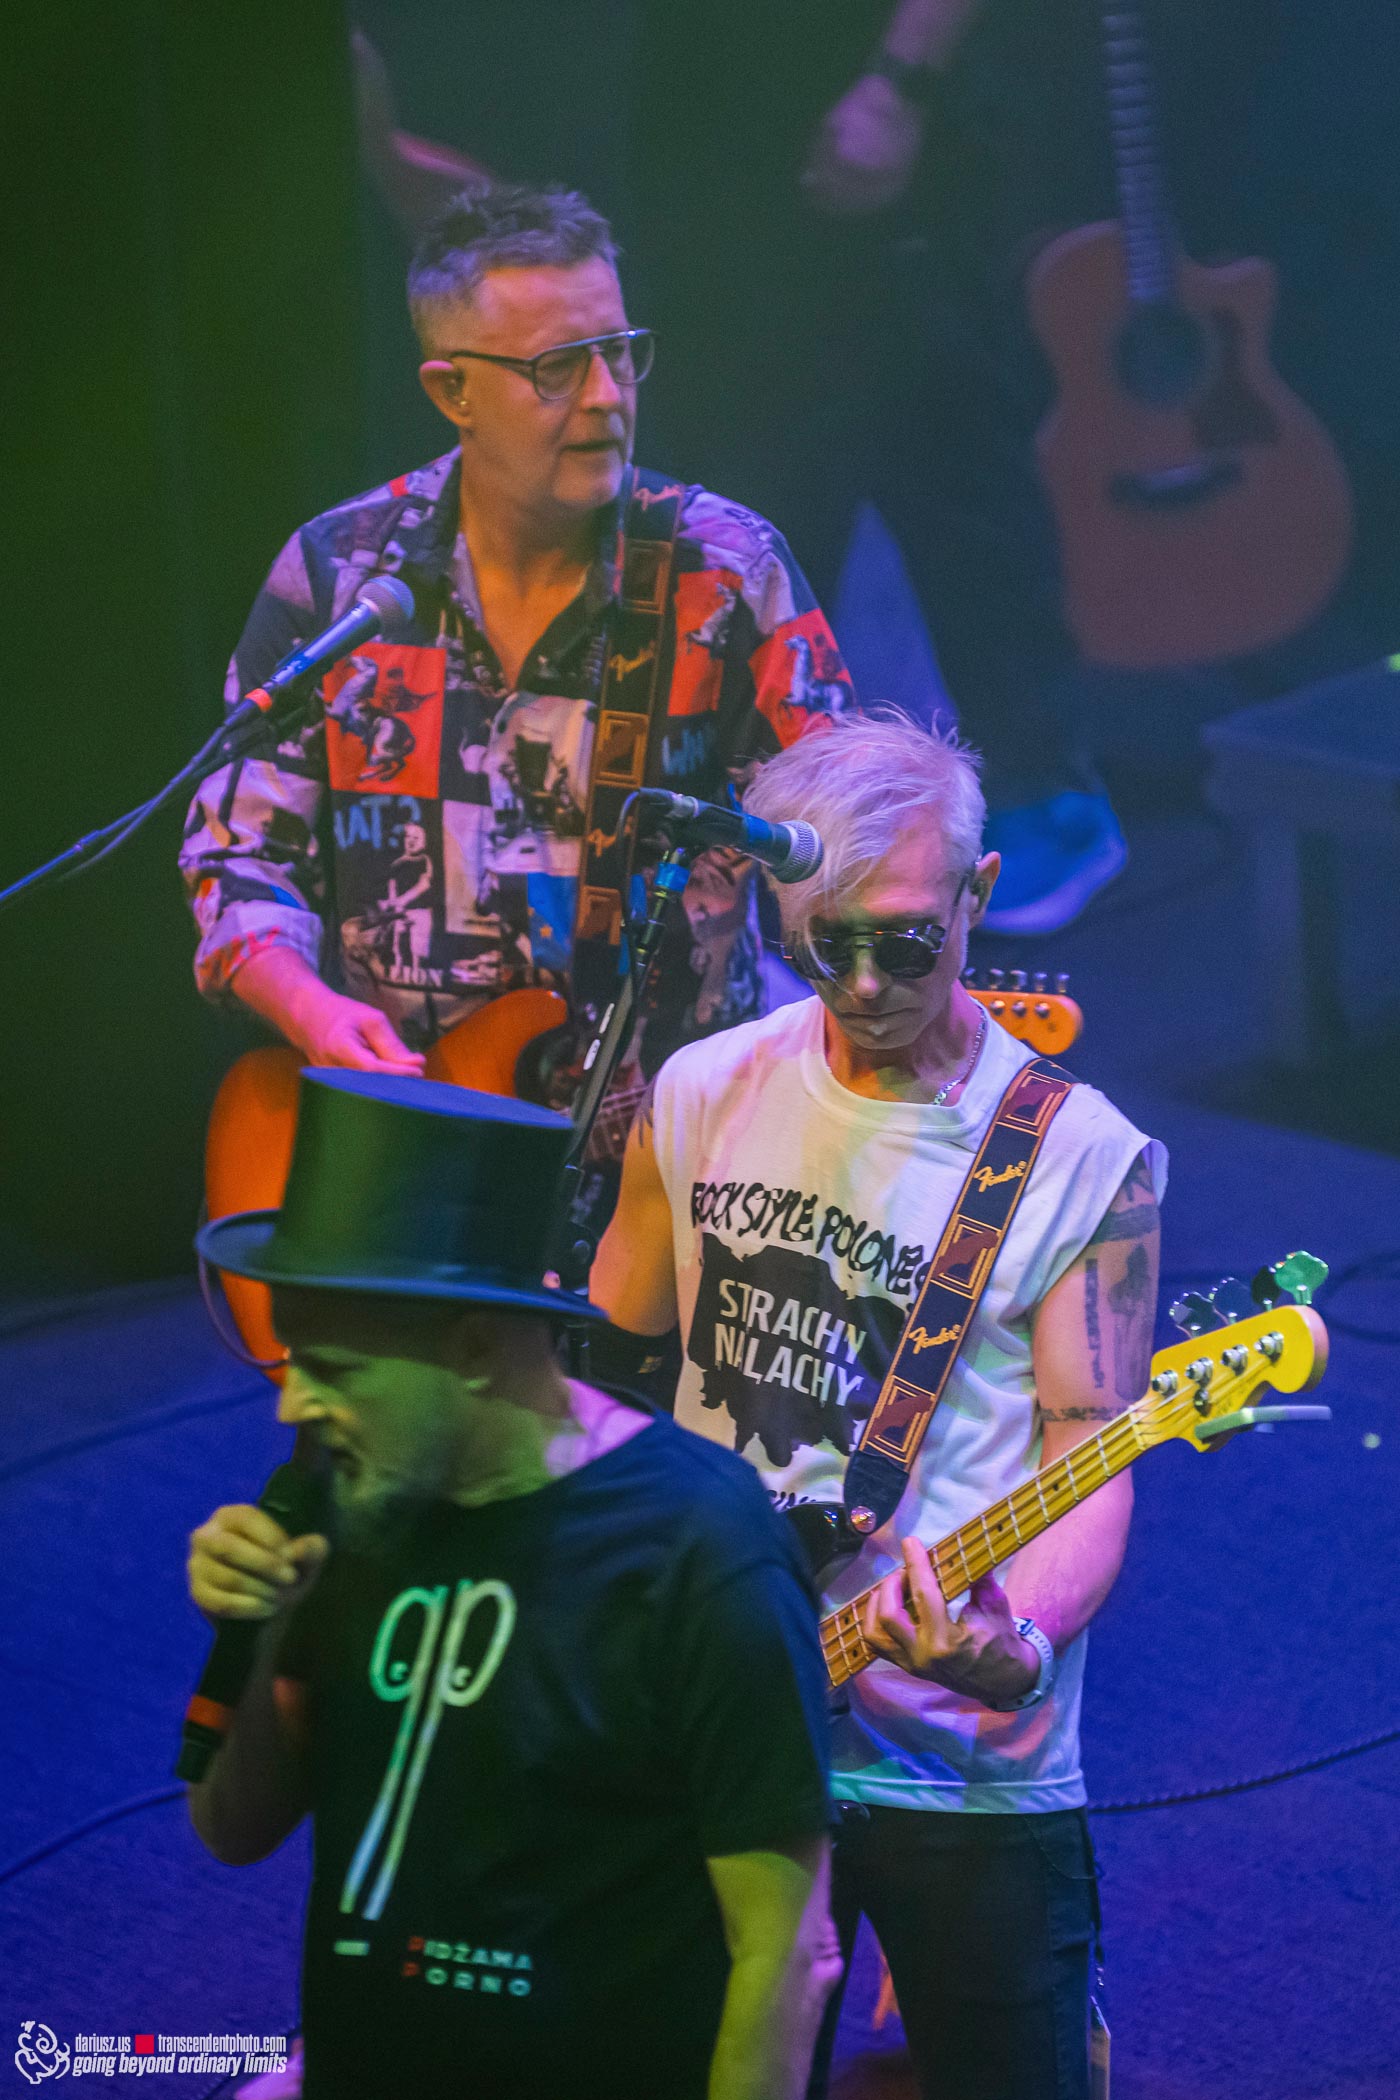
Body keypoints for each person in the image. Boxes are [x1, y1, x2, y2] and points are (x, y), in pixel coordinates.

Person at [593, 712, 1167, 2098]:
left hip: (953, 1756)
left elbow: (1093, 1452)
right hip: (722, 1713)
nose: (861, 984)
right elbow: (612, 1360)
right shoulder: (701, 1088)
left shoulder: (1080, 1158)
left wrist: (1015, 1644)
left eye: (905, 942)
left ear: (978, 895)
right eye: (824, 945)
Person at [187, 1070, 839, 2099]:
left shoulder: (697, 1547)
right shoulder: (346, 1494)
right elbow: (231, 1828)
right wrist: (264, 1627)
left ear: (477, 1347)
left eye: (336, 1370)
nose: (291, 1408)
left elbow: (788, 1952)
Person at [179, 179, 853, 1099]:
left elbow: (846, 840)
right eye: (559, 367)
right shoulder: (338, 572)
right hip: (413, 1121)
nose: (607, 396)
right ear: (452, 390)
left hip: (675, 1131)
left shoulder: (727, 570)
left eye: (620, 352)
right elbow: (237, 854)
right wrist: (312, 1011)